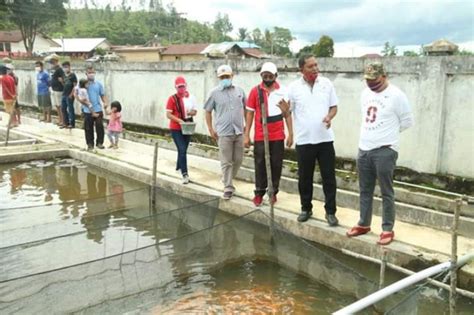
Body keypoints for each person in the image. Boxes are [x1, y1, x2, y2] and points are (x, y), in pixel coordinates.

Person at [346, 62, 414, 246]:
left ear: (384, 76)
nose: (370, 83)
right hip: (364, 148)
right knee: (365, 189)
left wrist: (388, 135)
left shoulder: (397, 95)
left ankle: (387, 228)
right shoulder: (365, 94)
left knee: (386, 191)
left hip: (385, 150)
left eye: (374, 79)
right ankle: (364, 223)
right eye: (367, 80)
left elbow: (407, 122)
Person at [284, 54, 339, 226]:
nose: (315, 68)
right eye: (311, 66)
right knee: (305, 178)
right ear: (302, 69)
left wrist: (330, 117)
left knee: (329, 178)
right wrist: (286, 115)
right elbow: (288, 112)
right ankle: (306, 208)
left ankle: (330, 212)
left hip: (325, 140)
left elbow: (334, 107)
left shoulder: (326, 84)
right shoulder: (293, 88)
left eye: (316, 65)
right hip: (305, 141)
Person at [244, 62, 294, 206]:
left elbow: (287, 114)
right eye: (264, 76)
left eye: (270, 76)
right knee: (260, 164)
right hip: (261, 134)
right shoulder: (255, 91)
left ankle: (273, 192)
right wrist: (247, 134)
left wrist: (290, 133)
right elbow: (250, 113)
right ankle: (259, 192)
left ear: (275, 76)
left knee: (276, 164)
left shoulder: (283, 91)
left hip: (277, 135)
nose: (267, 78)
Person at [204, 65, 246, 199]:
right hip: (223, 132)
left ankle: (226, 178)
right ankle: (228, 187)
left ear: (232, 76)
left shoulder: (240, 91)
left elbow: (247, 108)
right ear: (218, 78)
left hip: (239, 131)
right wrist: (211, 129)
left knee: (238, 160)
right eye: (222, 77)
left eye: (227, 76)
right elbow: (208, 111)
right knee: (226, 161)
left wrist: (247, 126)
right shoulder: (214, 93)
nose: (225, 79)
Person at [166, 76, 198, 184]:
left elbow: (195, 111)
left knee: (183, 149)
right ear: (175, 87)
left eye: (183, 86)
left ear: (186, 86)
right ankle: (185, 174)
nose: (181, 89)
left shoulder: (190, 97)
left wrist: (190, 112)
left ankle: (178, 167)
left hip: (187, 126)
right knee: (182, 149)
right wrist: (179, 120)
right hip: (176, 128)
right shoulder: (172, 99)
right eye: (179, 87)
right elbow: (168, 114)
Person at [80, 65, 108, 150]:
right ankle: (90, 144)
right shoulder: (83, 85)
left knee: (99, 126)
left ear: (95, 73)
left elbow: (102, 95)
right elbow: (77, 95)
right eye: (89, 72)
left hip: (98, 109)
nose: (91, 74)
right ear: (86, 73)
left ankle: (100, 143)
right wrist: (82, 102)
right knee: (88, 128)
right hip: (87, 110)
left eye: (92, 72)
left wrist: (105, 102)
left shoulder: (98, 84)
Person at [48, 54, 65, 126]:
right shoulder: (53, 69)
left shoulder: (59, 69)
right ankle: (59, 119)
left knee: (60, 106)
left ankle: (63, 120)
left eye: (53, 62)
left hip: (59, 89)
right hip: (54, 89)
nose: (52, 63)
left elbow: (63, 79)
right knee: (57, 106)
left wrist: (61, 81)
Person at [61, 61, 77, 128]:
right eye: (64, 67)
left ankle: (72, 123)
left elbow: (75, 86)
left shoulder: (73, 75)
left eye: (66, 67)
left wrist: (71, 94)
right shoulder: (64, 75)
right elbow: (64, 85)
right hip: (64, 94)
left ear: (69, 67)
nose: (65, 69)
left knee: (70, 109)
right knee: (63, 109)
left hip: (69, 95)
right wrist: (61, 82)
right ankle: (65, 123)